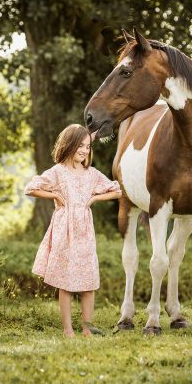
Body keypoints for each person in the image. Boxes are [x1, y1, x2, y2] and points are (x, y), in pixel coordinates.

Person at [24, 124, 122, 337]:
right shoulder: (58, 172)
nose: (84, 151)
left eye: (87, 147)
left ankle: (88, 329)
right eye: (80, 146)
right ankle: (68, 330)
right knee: (65, 280)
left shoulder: (92, 174)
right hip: (64, 229)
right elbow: (30, 188)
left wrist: (95, 197)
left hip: (85, 229)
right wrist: (55, 196)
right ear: (69, 145)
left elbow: (117, 191)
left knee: (88, 281)